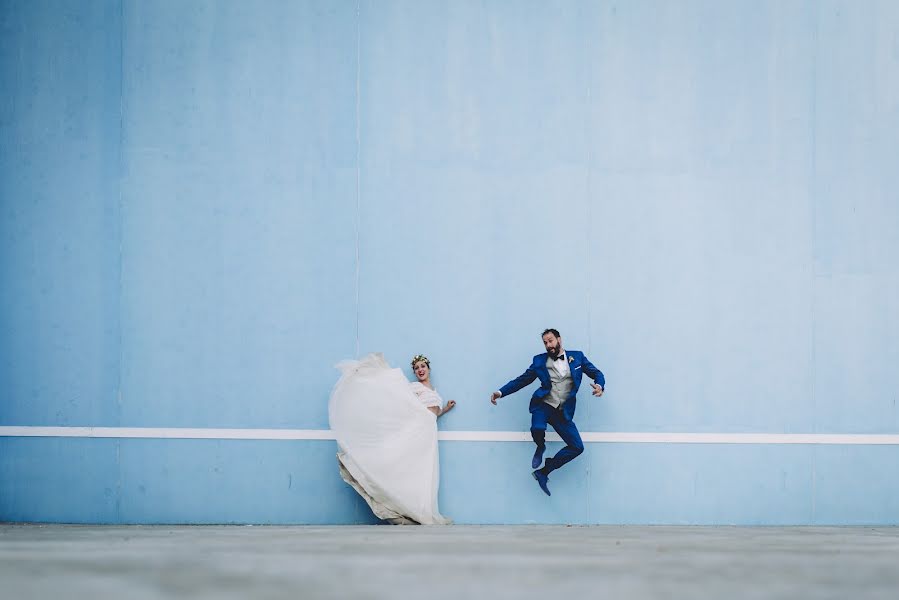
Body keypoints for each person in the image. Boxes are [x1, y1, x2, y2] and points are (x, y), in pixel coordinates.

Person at [329, 352, 455, 524]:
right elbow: (401, 400)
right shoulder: (414, 388)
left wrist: (445, 408)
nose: (420, 370)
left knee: (423, 472)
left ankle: (420, 509)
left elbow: (433, 412)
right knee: (406, 467)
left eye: (422, 367)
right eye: (417, 368)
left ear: (428, 369)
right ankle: (402, 505)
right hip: (418, 432)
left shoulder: (434, 392)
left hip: (429, 435)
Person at [490, 328, 605, 496]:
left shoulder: (577, 357)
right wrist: (500, 392)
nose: (548, 345)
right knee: (537, 428)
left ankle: (544, 472)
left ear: (559, 339)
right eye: (545, 342)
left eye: (550, 340)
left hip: (563, 411)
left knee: (577, 447)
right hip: (543, 405)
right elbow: (521, 381)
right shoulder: (539, 361)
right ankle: (540, 446)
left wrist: (600, 385)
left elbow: (597, 373)